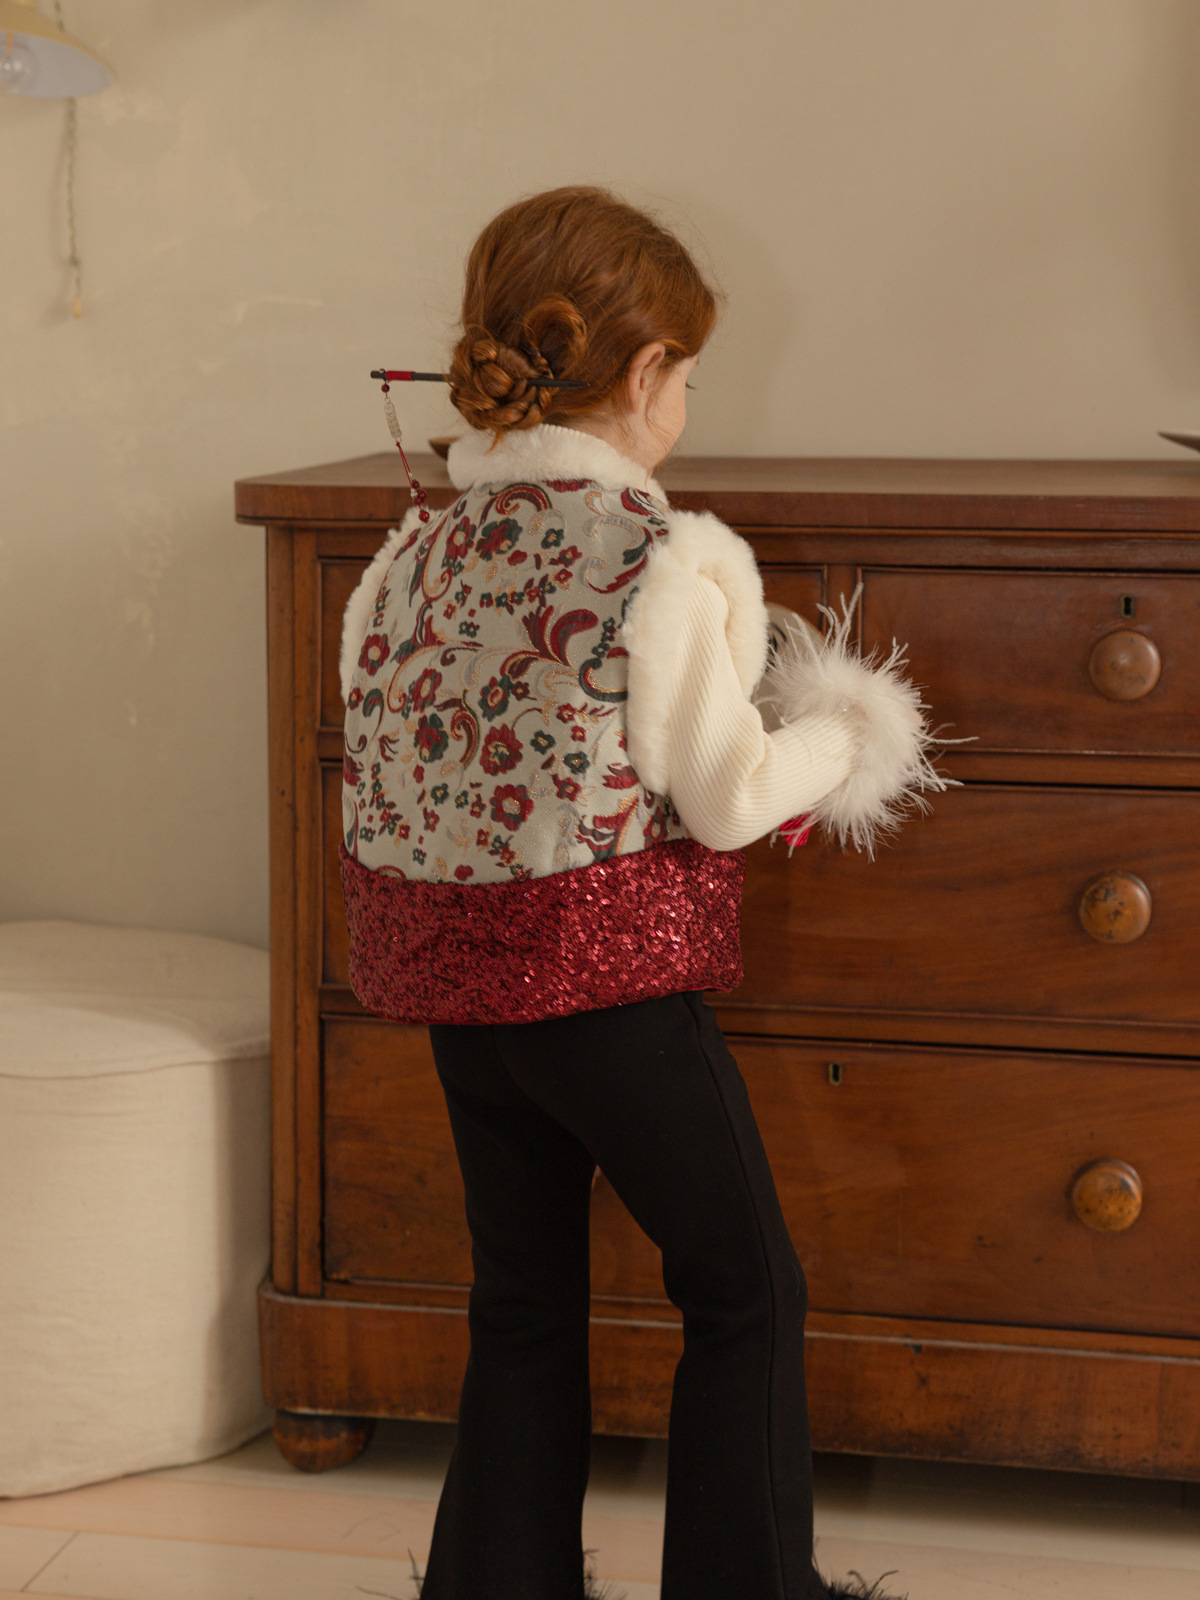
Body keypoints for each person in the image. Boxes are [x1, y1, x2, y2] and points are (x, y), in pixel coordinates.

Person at [338, 184, 940, 1600]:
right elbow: (726, 793)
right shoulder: (667, 554)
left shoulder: (413, 550)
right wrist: (851, 733)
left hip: (459, 1000)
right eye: (688, 376)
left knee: (522, 1303)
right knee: (746, 1290)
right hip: (611, 996)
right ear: (649, 370)